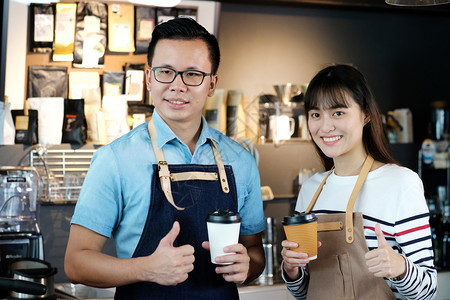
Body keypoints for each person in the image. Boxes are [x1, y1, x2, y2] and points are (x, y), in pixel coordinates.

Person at [64, 17, 266, 299]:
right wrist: (147, 269)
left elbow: (254, 250)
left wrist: (249, 265)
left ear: (211, 84)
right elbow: (76, 263)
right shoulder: (115, 160)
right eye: (165, 72)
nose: (177, 85)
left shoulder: (241, 161)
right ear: (149, 77)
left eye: (193, 74)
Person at [281, 64, 437, 299]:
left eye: (338, 112)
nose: (325, 126)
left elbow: (428, 291)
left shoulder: (401, 183)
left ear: (365, 114)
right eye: (316, 114)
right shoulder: (311, 189)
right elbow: (304, 293)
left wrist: (401, 269)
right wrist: (292, 271)